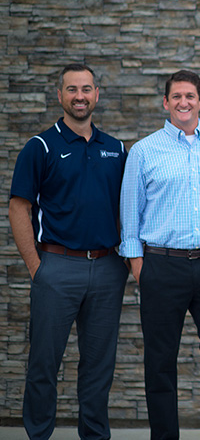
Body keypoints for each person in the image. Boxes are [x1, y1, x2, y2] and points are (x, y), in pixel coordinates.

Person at [119, 70, 200, 439]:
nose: (183, 103)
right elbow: (130, 218)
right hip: (162, 266)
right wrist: (142, 269)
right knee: (159, 364)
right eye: (176, 97)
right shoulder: (144, 151)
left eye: (190, 96)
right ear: (166, 102)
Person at [9, 63, 128, 439]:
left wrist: (125, 261)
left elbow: (127, 207)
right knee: (44, 363)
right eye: (72, 89)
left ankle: (94, 435)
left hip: (108, 269)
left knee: (98, 366)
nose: (80, 96)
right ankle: (39, 433)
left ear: (97, 95)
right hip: (57, 267)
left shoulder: (116, 149)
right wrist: (36, 267)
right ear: (59, 96)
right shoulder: (40, 147)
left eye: (87, 89)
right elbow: (19, 208)